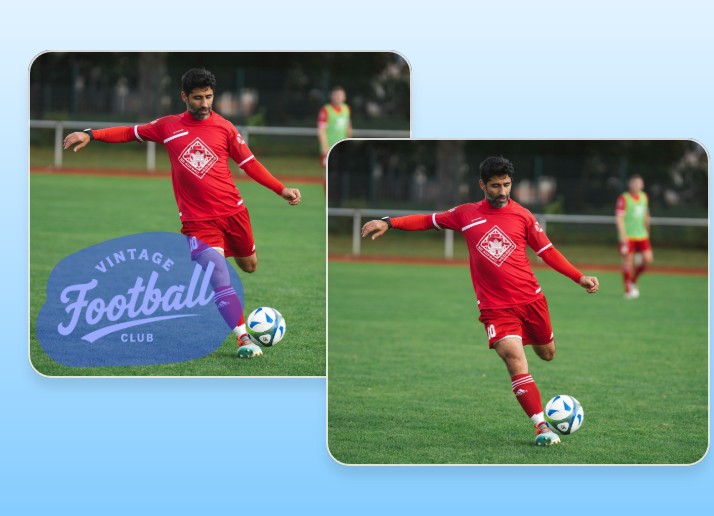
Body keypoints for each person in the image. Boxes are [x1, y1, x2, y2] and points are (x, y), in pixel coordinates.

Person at [63, 68, 302, 359]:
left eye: (209, 97)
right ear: (184, 97)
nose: (205, 103)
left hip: (233, 213)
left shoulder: (225, 128)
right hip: (197, 222)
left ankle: (222, 259)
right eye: (198, 98)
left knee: (250, 266)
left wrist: (281, 189)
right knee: (219, 277)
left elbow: (249, 163)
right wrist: (91, 134)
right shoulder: (168, 126)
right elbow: (129, 132)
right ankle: (243, 340)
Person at [361, 156, 599, 446]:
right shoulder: (466, 214)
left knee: (547, 354)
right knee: (513, 357)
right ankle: (541, 427)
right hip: (495, 308)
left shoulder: (523, 216)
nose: (502, 191)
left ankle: (533, 357)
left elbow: (547, 251)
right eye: (496, 186)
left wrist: (579, 277)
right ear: (482, 185)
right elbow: (427, 220)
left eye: (507, 185)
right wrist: (389, 222)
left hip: (531, 300)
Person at [615, 174, 652, 299]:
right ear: (629, 184)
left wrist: (648, 230)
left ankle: (633, 281)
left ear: (642, 185)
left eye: (638, 183)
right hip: (628, 236)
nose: (636, 185)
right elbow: (619, 218)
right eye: (634, 183)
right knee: (628, 262)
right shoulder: (623, 198)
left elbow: (646, 215)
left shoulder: (644, 197)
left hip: (642, 235)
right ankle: (628, 289)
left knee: (648, 259)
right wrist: (623, 236)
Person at [317, 85, 352, 167]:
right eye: (336, 95)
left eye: (341, 95)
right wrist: (325, 147)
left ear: (344, 97)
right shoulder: (326, 110)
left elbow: (348, 127)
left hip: (342, 147)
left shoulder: (346, 109)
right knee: (329, 170)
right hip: (330, 146)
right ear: (331, 96)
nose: (338, 97)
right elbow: (321, 130)